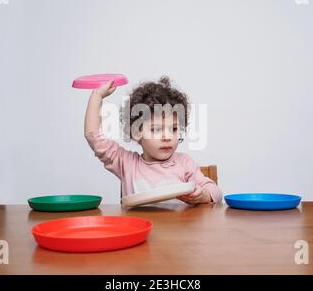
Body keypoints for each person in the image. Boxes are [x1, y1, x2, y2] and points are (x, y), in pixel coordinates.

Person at [84, 76, 222, 205]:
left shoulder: (184, 163)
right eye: (156, 130)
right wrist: (97, 96)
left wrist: (202, 195)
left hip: (179, 230)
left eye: (173, 129)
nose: (167, 137)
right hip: (141, 230)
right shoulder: (126, 163)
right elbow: (94, 137)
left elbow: (215, 192)